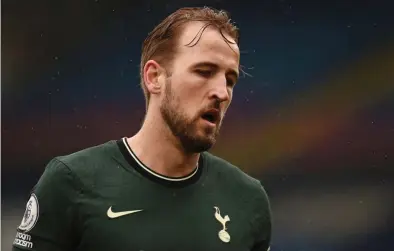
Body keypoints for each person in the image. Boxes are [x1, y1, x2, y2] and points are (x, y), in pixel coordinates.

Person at [12, 6, 272, 251]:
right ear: (154, 77)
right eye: (204, 72)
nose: (221, 93)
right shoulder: (70, 183)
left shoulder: (248, 200)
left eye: (230, 80)